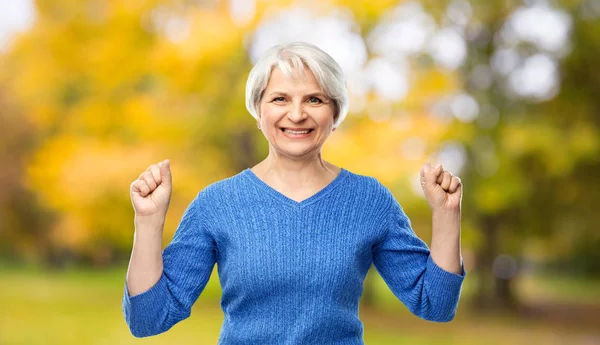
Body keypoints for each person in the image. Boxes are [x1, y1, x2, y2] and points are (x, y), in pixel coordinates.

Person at [122, 42, 466, 344]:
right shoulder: (216, 203)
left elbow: (434, 304)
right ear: (259, 110)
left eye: (314, 99)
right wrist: (149, 222)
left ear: (335, 113)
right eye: (280, 98)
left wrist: (447, 214)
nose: (297, 114)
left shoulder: (369, 199)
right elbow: (148, 319)